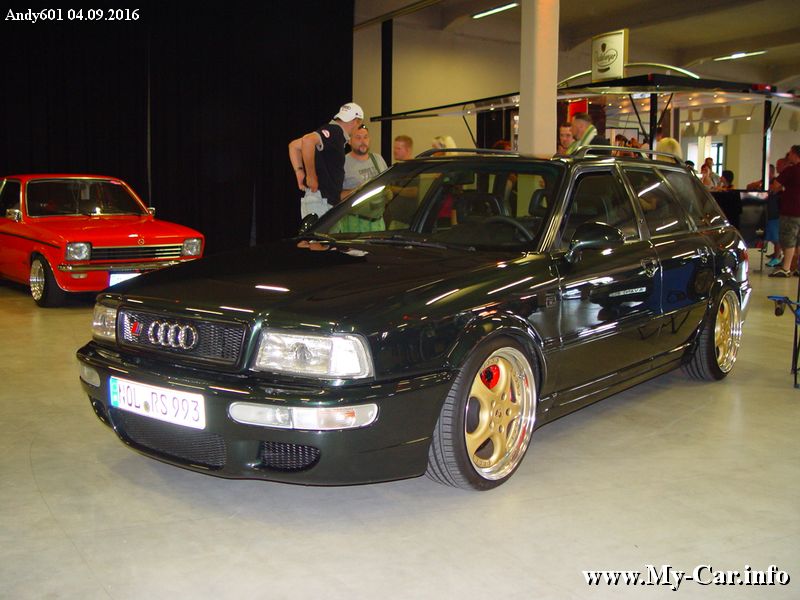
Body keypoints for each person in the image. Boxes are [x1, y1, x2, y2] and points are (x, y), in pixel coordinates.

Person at [288, 102, 364, 219]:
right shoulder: (335, 131)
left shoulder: (335, 133)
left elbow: (294, 146)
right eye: (359, 125)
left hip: (320, 199)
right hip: (321, 201)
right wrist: (311, 176)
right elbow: (307, 141)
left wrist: (299, 172)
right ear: (355, 121)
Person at [768, 145, 800, 277]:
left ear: (795, 154)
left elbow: (775, 186)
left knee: (789, 239)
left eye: (790, 153)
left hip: (791, 210)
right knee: (798, 241)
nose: (788, 155)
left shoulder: (791, 170)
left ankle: (786, 268)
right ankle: (797, 267)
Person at [340, 125, 388, 200]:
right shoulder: (342, 163)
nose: (363, 142)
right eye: (358, 138)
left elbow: (388, 184)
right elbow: (336, 196)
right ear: (349, 141)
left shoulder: (378, 158)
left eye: (365, 137)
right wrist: (359, 191)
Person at [748, 164, 781, 265]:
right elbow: (749, 186)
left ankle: (777, 256)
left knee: (775, 236)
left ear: (771, 172)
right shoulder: (763, 182)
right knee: (769, 234)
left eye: (765, 171)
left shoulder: (775, 182)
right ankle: (776, 253)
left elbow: (772, 189)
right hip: (765, 212)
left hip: (774, 213)